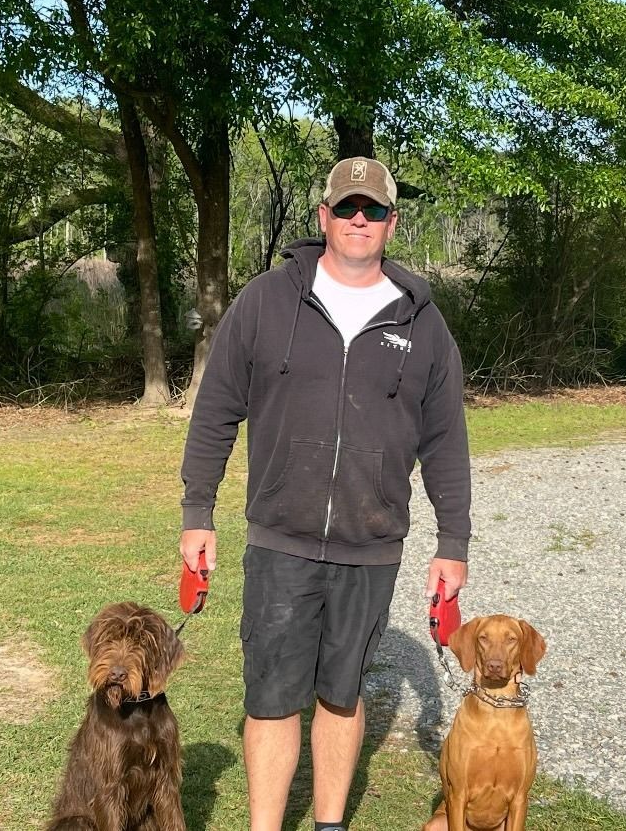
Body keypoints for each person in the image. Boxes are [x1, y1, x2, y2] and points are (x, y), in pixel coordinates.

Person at [179, 156, 472, 831]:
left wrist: (452, 543)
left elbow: (447, 442)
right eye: (347, 208)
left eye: (372, 209)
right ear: (324, 217)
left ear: (392, 222)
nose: (359, 219)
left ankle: (330, 824)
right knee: (274, 696)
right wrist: (199, 511)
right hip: (280, 539)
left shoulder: (422, 323)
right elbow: (216, 408)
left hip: (371, 545)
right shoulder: (267, 300)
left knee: (342, 695)